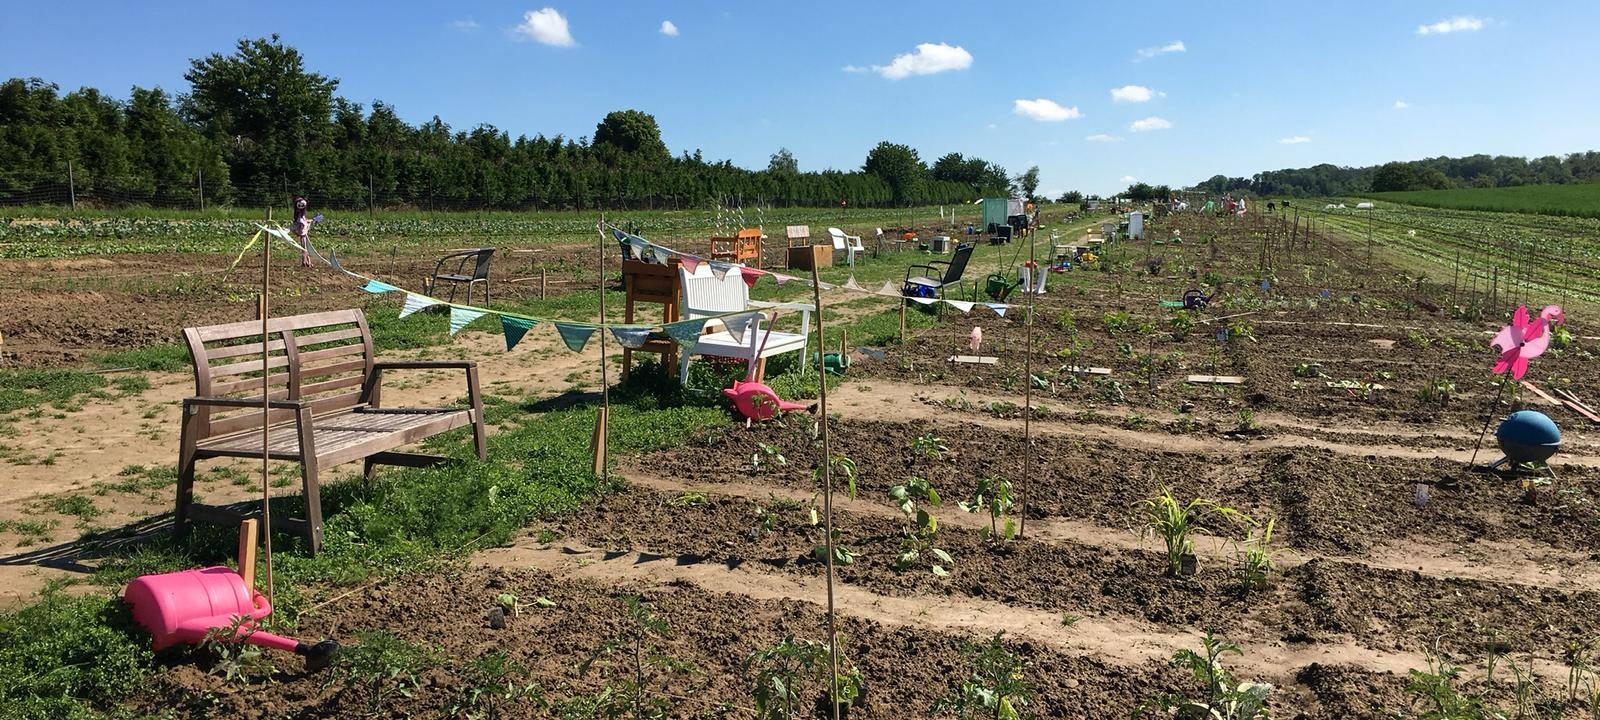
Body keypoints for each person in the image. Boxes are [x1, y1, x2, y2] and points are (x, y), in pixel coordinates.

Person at [292, 196, 314, 267]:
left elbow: (303, 220)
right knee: (304, 247)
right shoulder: (299, 216)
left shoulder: (301, 214)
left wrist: (310, 220)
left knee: (304, 247)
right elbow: (301, 222)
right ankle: (305, 261)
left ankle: (307, 261)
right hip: (302, 232)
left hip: (303, 232)